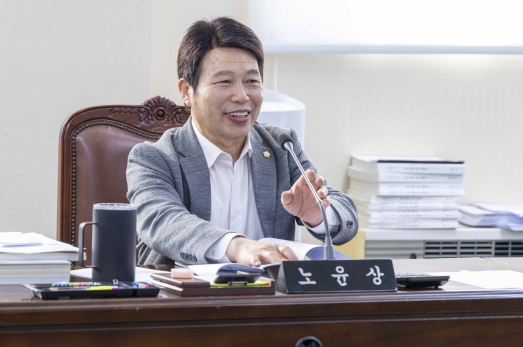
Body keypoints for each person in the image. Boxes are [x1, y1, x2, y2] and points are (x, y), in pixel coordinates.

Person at [126, 17, 358, 266]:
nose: (242, 96)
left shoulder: (281, 147)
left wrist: (318, 214)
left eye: (252, 81)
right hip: (181, 289)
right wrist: (237, 246)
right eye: (225, 81)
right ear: (186, 92)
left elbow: (347, 216)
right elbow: (163, 221)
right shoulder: (153, 159)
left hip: (268, 291)